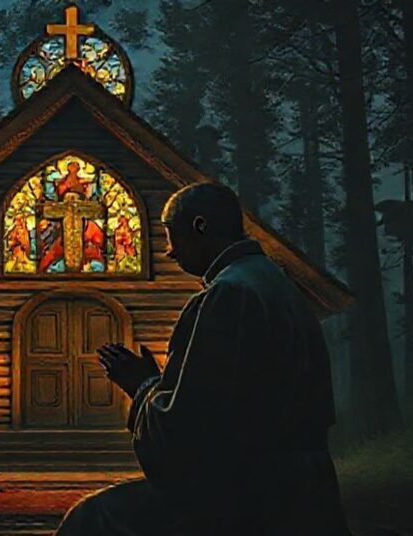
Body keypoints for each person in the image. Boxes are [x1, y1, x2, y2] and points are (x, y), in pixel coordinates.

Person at [56, 182, 351, 535]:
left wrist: (142, 385)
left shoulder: (228, 295)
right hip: (303, 485)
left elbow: (190, 432)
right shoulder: (273, 283)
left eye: (171, 236)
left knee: (91, 521)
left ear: (200, 226)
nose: (168, 252)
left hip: (251, 493)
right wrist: (164, 385)